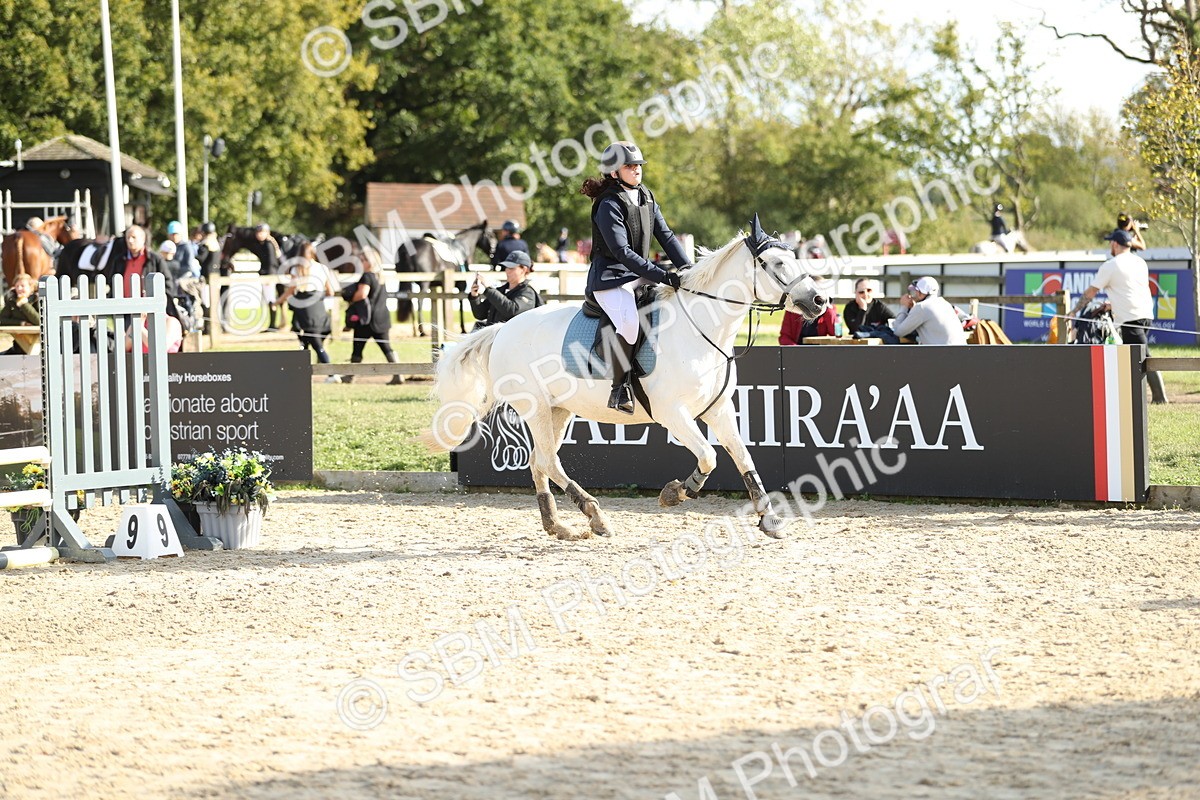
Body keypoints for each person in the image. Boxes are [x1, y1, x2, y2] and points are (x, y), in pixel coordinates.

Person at [581, 140, 691, 413]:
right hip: (610, 278)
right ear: (614, 173)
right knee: (629, 323)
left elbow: (665, 236)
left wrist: (689, 269)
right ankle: (619, 389)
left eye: (638, 165)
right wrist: (662, 275)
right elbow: (621, 251)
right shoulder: (608, 204)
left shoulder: (646, 196)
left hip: (637, 274)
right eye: (629, 166)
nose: (636, 170)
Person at [1070, 228, 1167, 403]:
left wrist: (1074, 312)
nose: (1109, 246)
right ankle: (1137, 395)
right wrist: (1111, 304)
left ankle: (1160, 397)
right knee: (1137, 356)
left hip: (1131, 317)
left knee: (1143, 356)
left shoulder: (1111, 265)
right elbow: (1130, 290)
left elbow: (1091, 292)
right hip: (1145, 314)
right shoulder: (1140, 262)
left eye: (1110, 243)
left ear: (1115, 244)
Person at [346, 246, 402, 385]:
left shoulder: (367, 276)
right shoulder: (380, 276)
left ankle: (350, 376)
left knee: (357, 348)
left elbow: (362, 294)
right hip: (382, 318)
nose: (360, 262)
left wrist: (350, 298)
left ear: (369, 261)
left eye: (362, 259)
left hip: (367, 319)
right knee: (387, 348)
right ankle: (398, 373)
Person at [279, 243, 336, 365]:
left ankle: (330, 372)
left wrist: (278, 301)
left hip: (304, 312)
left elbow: (290, 291)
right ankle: (307, 369)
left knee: (313, 343)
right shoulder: (323, 268)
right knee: (310, 341)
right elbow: (330, 291)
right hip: (319, 309)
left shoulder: (296, 269)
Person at [469, 250, 540, 329]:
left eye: (511, 268)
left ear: (524, 269)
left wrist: (489, 289)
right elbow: (480, 314)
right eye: (506, 267)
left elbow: (512, 311)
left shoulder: (528, 293)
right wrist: (474, 297)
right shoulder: (500, 291)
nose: (507, 271)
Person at [892, 277, 967, 345]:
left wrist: (904, 307)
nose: (915, 294)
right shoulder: (944, 303)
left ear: (920, 292)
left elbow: (898, 332)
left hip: (944, 356)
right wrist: (913, 309)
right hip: (960, 353)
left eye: (916, 291)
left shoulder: (921, 307)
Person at [249, 222, 286, 330]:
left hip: (269, 276)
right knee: (269, 299)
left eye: (261, 232)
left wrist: (268, 276)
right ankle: (272, 324)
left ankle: (272, 325)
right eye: (258, 232)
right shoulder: (265, 244)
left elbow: (271, 262)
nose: (259, 235)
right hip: (268, 274)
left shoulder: (268, 244)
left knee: (271, 300)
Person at [0, 274, 40, 354]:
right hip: (17, 346)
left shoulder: (37, 301)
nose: (19, 288)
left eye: (22, 286)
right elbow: (2, 320)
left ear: (31, 288)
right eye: (17, 286)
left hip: (38, 345)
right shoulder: (12, 301)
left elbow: (38, 321)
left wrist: (24, 305)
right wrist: (21, 323)